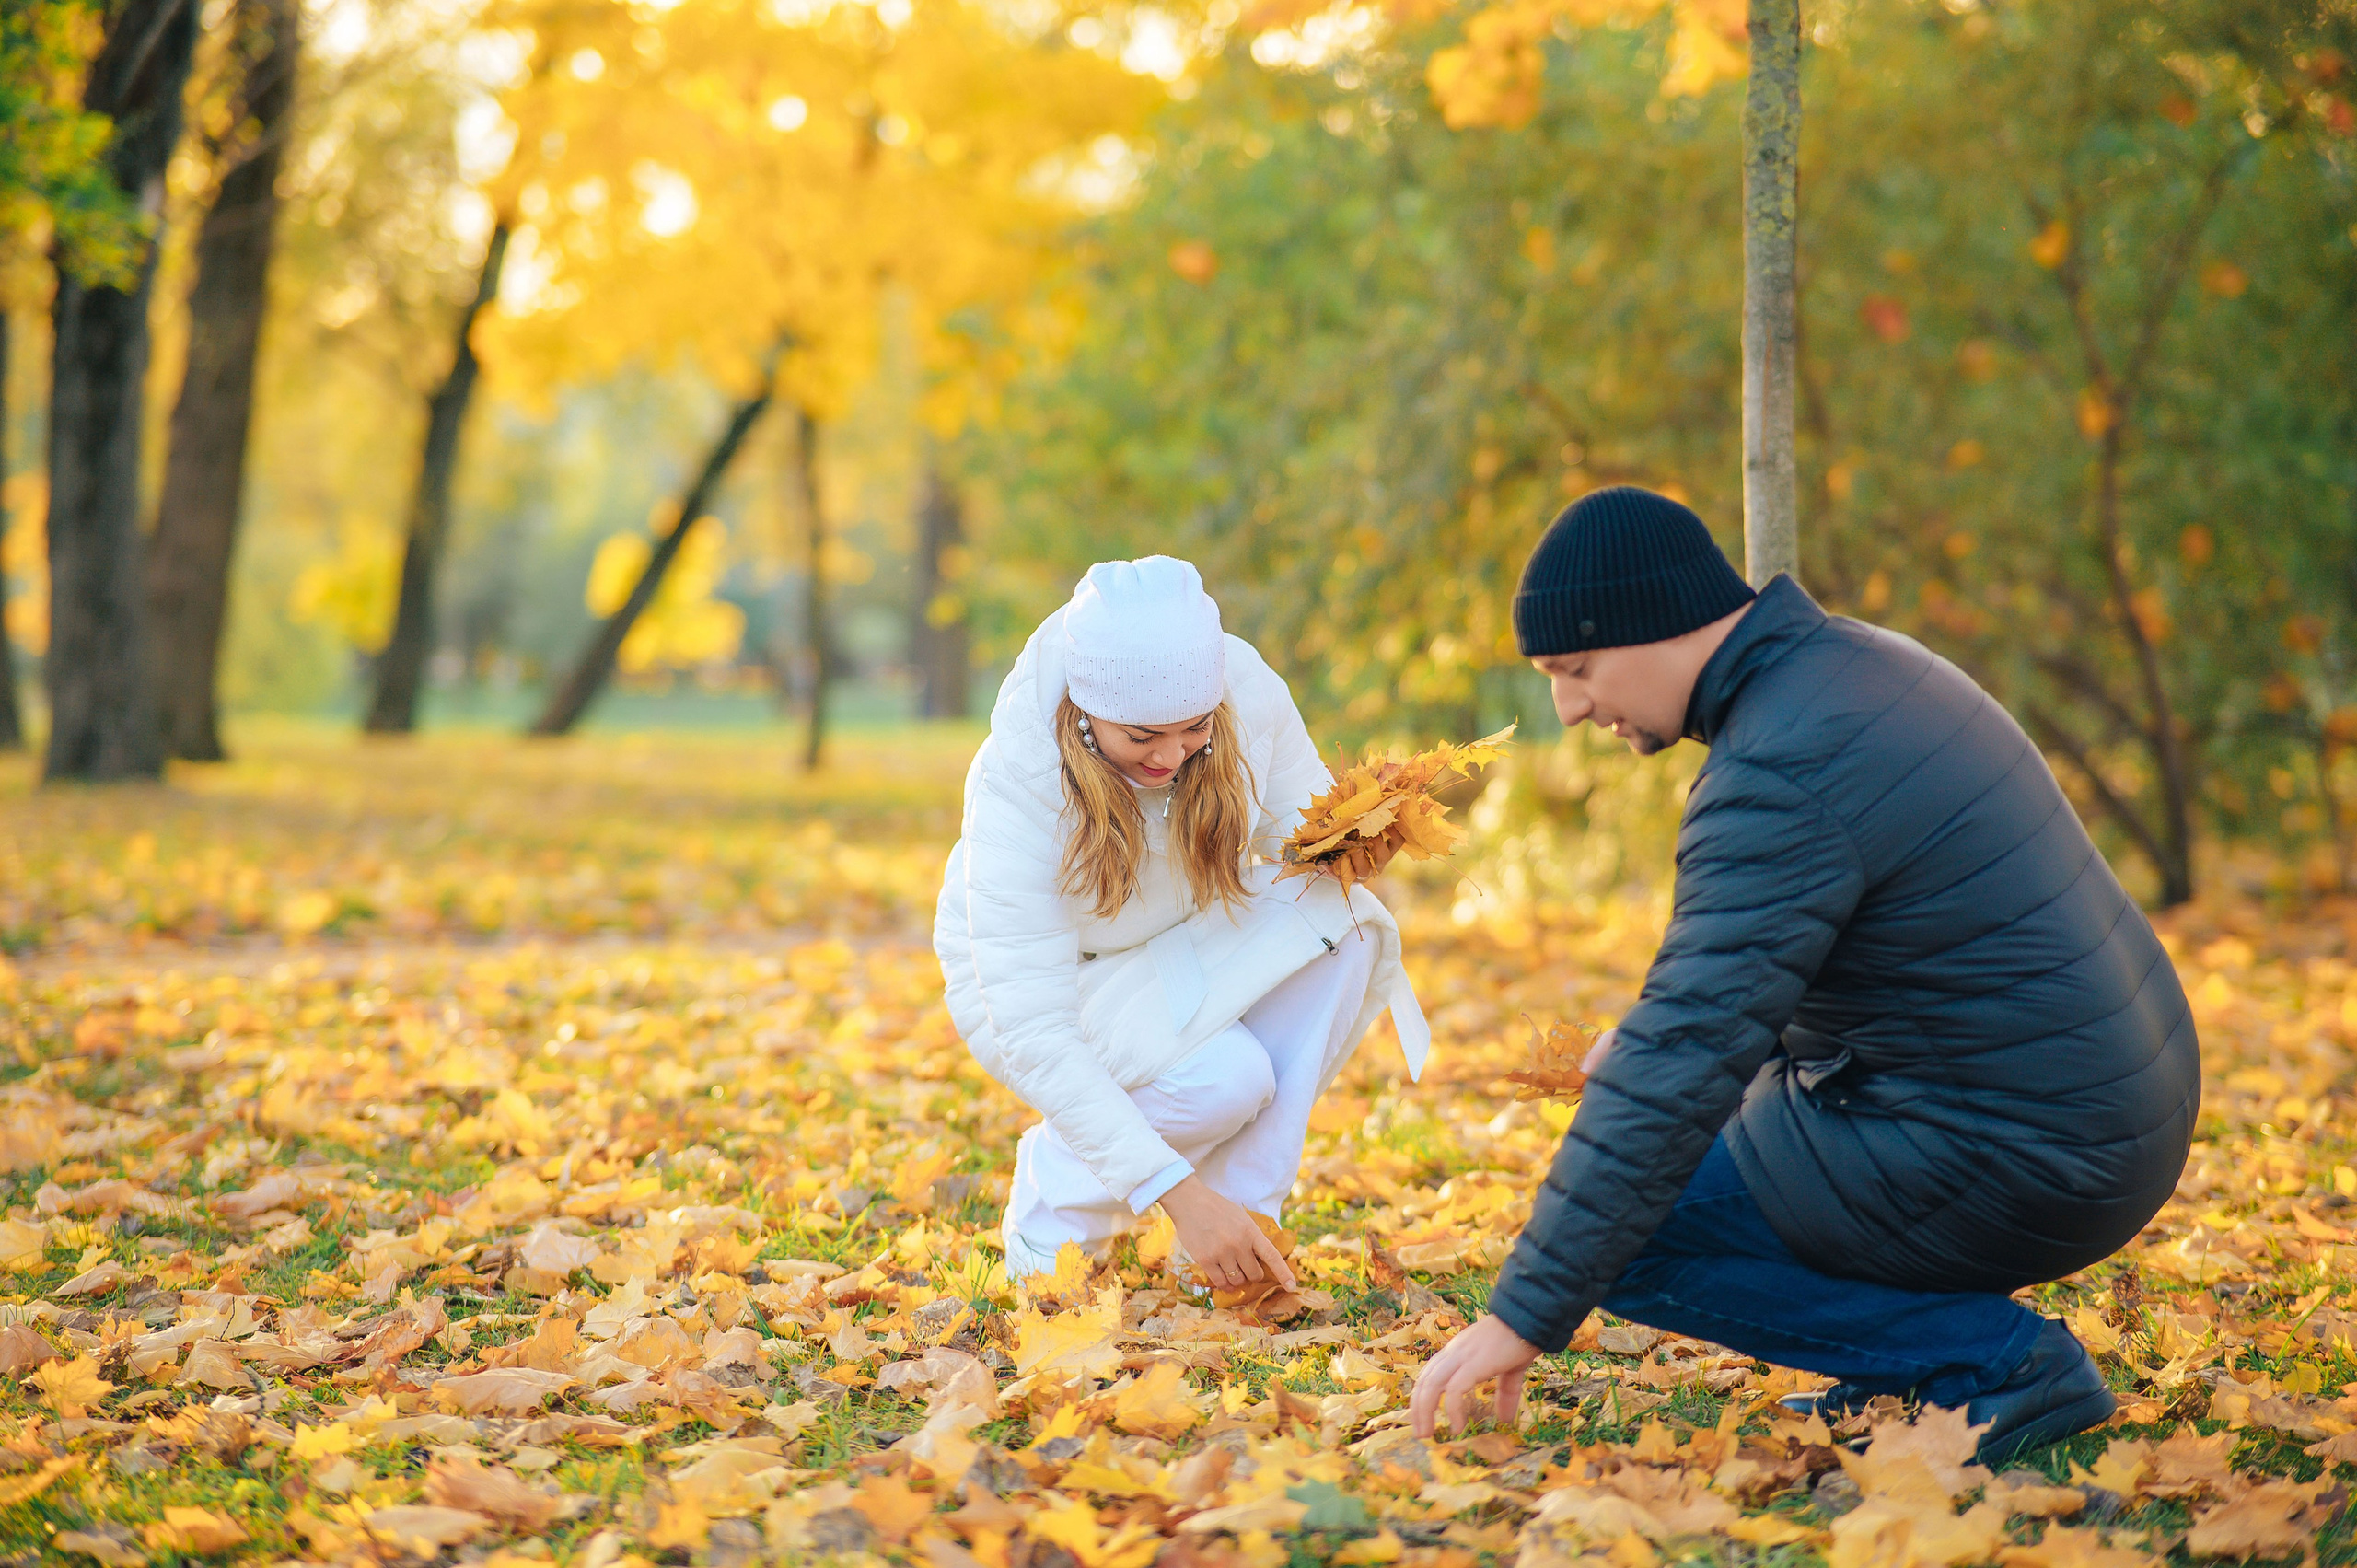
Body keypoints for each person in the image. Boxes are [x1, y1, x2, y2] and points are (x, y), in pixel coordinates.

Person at [1410, 487, 2199, 1466]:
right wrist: (1673, 1044)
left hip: (2030, 1145)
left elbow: (1685, 1055)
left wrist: (1521, 1314)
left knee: (1641, 1231)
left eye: (1576, 668)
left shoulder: (1780, 768)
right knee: (1699, 1130)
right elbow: (1864, 958)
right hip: (2091, 1106)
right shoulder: (1853, 668)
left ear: (1658, 623)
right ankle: (1900, 1374)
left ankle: (1995, 1364)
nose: (1570, 709)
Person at [935, 556, 1430, 1291]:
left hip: (1175, 937)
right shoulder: (1020, 779)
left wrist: (1354, 843)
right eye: (1141, 736)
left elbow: (1298, 841)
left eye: (1194, 728)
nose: (1170, 756)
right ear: (1085, 709)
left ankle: (1243, 1220)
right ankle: (1053, 1209)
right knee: (1224, 1078)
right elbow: (1034, 1030)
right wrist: (1176, 1193)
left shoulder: (1245, 689)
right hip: (1049, 985)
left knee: (1347, 918)